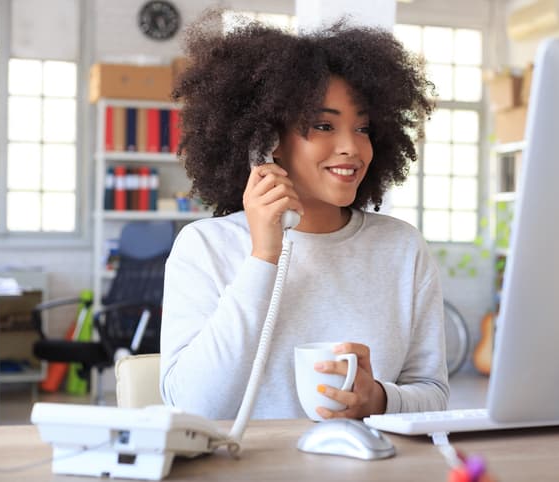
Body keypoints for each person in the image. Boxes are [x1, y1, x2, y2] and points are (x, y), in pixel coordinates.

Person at [160, 11, 449, 420]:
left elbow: (434, 394)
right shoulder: (206, 247)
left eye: (363, 129)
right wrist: (263, 255)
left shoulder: (401, 248)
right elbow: (193, 406)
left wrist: (380, 400)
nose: (352, 147)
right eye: (323, 126)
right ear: (267, 141)